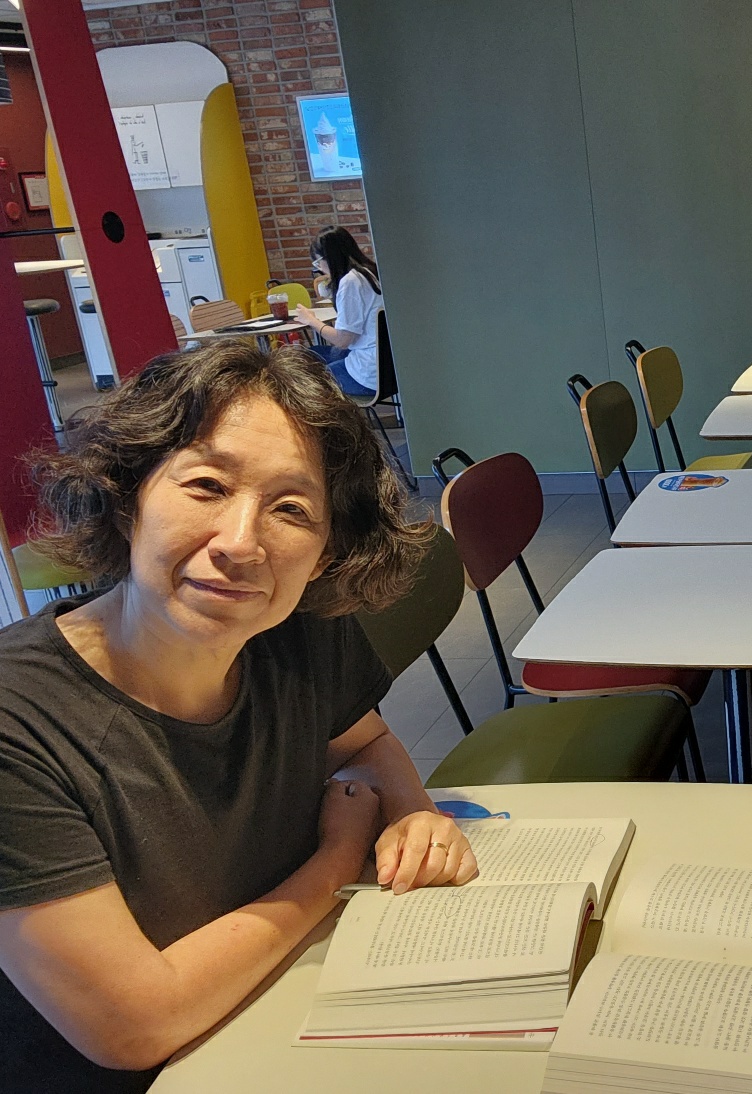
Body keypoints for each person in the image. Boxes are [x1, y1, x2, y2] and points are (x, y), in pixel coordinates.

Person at [0, 342, 479, 1092]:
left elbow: (363, 743)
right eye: (206, 485)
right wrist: (335, 860)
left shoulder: (294, 627)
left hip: (277, 1013)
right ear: (127, 498)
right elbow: (133, 1025)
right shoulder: (19, 720)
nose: (241, 543)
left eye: (292, 510)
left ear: (324, 555)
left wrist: (412, 813)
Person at [296, 225, 383, 398]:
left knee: (306, 376)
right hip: (383, 364)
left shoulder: (350, 282)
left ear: (328, 258)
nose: (319, 269)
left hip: (367, 374)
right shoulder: (370, 272)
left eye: (317, 263)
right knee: (310, 354)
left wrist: (311, 320)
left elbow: (343, 340)